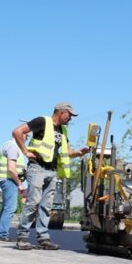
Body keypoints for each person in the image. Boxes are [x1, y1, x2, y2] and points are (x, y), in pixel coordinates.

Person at [12, 102, 89, 250]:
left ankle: (43, 238)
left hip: (52, 170)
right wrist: (26, 152)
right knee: (33, 202)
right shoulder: (43, 121)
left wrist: (79, 152)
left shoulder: (63, 131)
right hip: (37, 167)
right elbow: (17, 132)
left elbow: (68, 151)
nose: (71, 118)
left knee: (46, 206)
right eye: (69, 115)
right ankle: (22, 237)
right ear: (61, 112)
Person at [0, 132, 29, 243]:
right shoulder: (13, 147)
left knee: (6, 207)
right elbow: (11, 169)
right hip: (9, 179)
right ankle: (2, 234)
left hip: (6, 179)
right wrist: (20, 184)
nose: (27, 139)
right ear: (21, 135)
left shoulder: (11, 145)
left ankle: (0, 233)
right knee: (10, 208)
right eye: (26, 136)